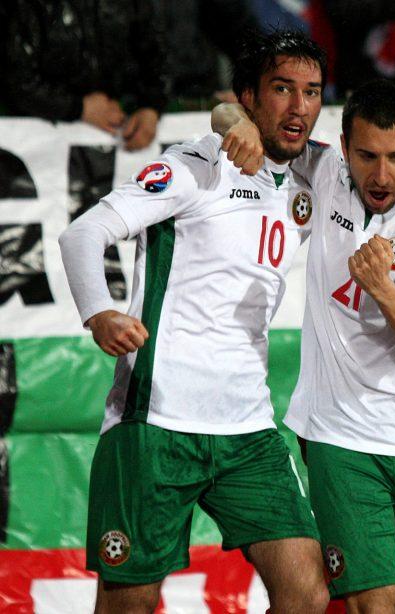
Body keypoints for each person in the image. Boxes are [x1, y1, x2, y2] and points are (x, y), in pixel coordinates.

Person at [57, 30, 330, 613]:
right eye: (282, 89)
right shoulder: (195, 165)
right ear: (249, 96)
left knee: (307, 593)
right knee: (129, 604)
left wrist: (232, 116)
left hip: (248, 428)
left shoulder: (314, 174)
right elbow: (83, 233)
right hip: (156, 422)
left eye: (311, 92)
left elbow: (378, 157)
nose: (299, 106)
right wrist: (99, 313)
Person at [212, 78, 395, 612]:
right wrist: (238, 122)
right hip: (340, 435)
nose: (381, 175)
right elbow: (227, 115)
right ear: (343, 148)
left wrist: (383, 288)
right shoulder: (326, 174)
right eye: (366, 156)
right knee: (372, 606)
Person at [0, 0, 168, 150]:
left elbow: (155, 51)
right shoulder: (24, 6)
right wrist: (78, 107)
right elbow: (14, 77)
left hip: (119, 136)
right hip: (34, 140)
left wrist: (151, 106)